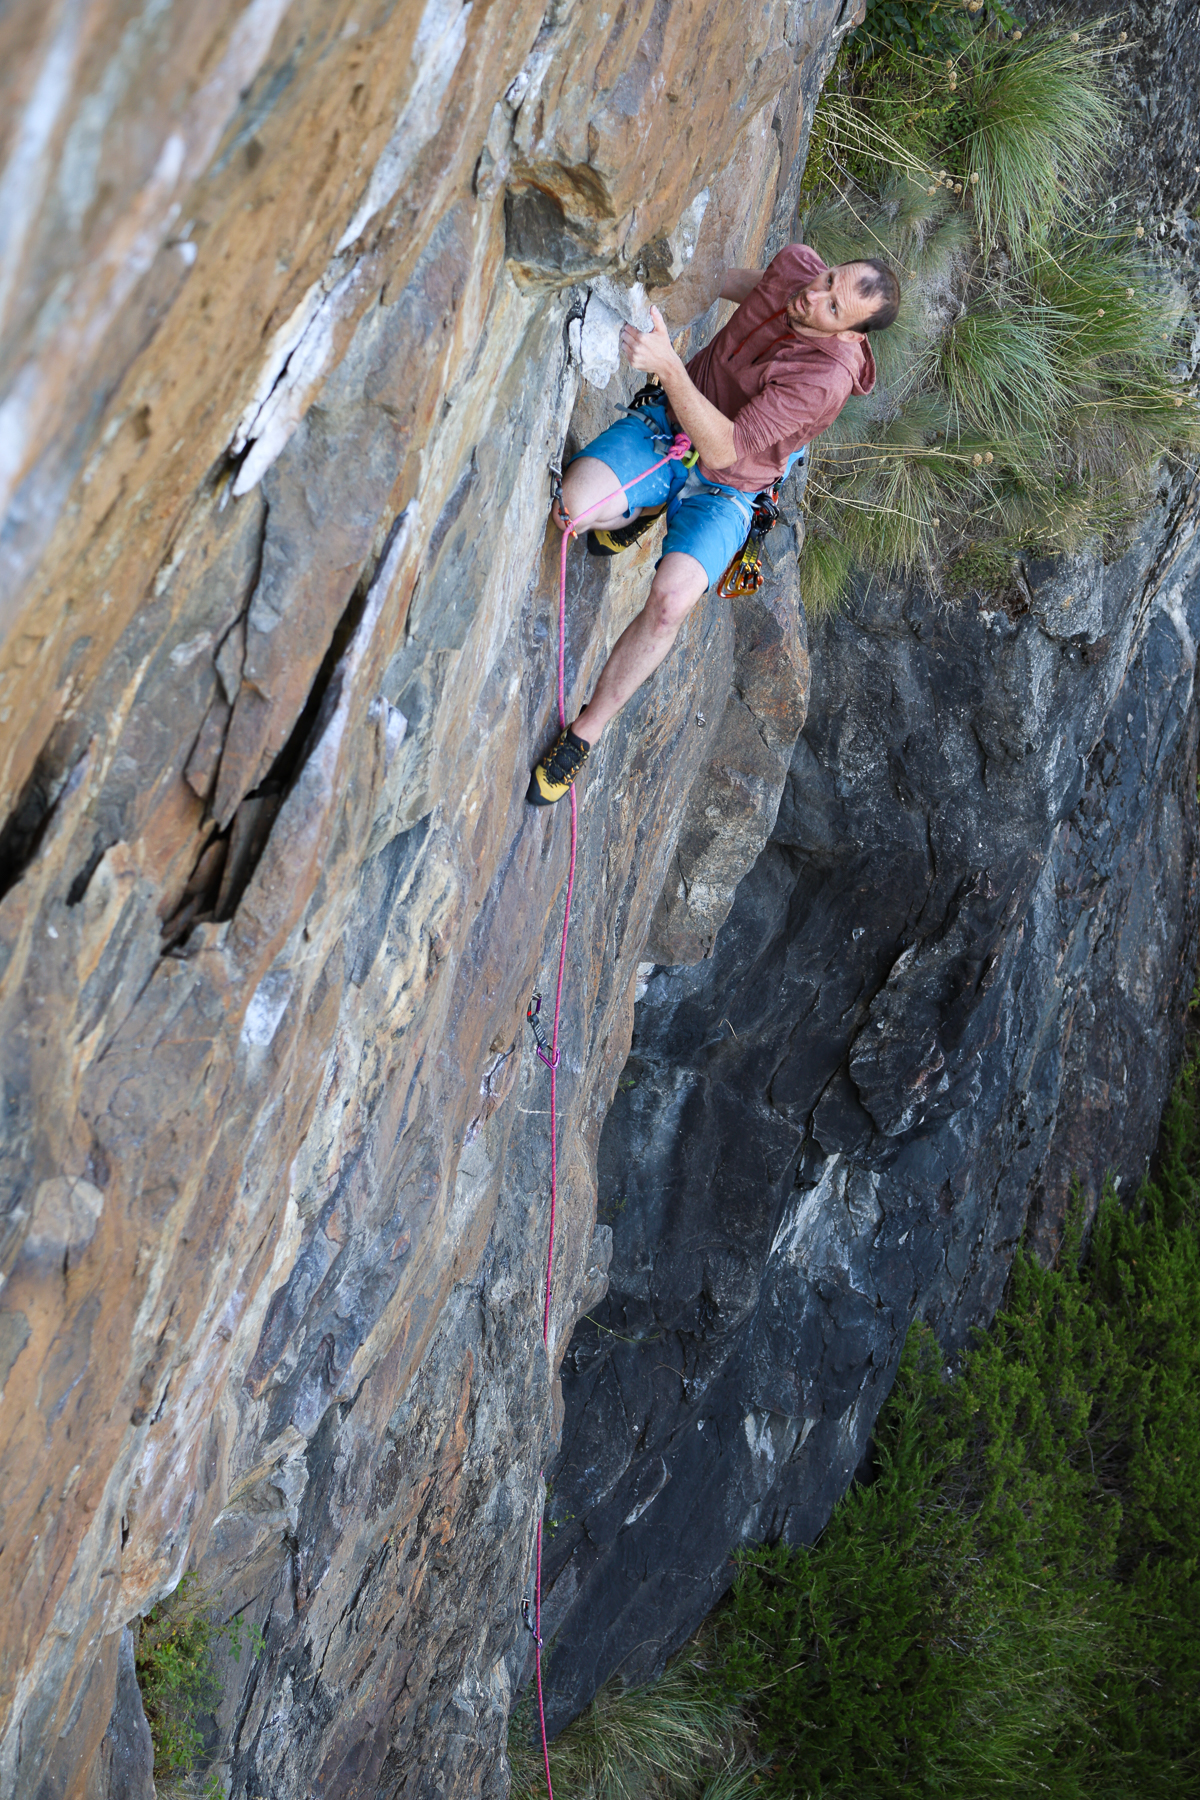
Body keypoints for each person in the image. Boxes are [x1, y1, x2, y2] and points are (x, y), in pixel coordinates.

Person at [527, 247, 900, 806]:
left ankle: (586, 731)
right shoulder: (798, 269)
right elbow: (722, 283)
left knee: (671, 602)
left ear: (850, 335)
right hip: (670, 423)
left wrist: (669, 365)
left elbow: (724, 448)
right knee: (573, 511)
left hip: (731, 483)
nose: (814, 294)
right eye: (828, 278)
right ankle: (641, 509)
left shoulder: (823, 379)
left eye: (833, 305)